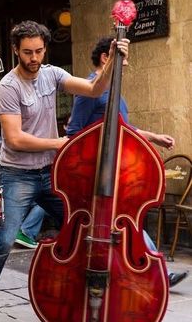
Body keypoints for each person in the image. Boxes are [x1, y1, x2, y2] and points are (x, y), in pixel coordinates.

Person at [0, 20, 129, 322]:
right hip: (17, 176)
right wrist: (58, 143)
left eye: (39, 51)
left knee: (87, 226)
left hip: (51, 174)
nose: (34, 57)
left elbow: (94, 88)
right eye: (27, 52)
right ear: (15, 51)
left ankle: (90, 300)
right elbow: (14, 139)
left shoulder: (52, 75)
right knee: (5, 241)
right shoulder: (8, 86)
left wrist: (113, 61)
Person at [66, 35, 188, 289]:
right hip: (96, 173)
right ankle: (154, 271)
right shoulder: (89, 89)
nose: (127, 64)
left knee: (124, 220)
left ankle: (147, 270)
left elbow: (125, 129)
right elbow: (75, 131)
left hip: (115, 171)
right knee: (120, 220)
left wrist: (155, 137)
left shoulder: (116, 93)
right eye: (124, 58)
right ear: (105, 57)